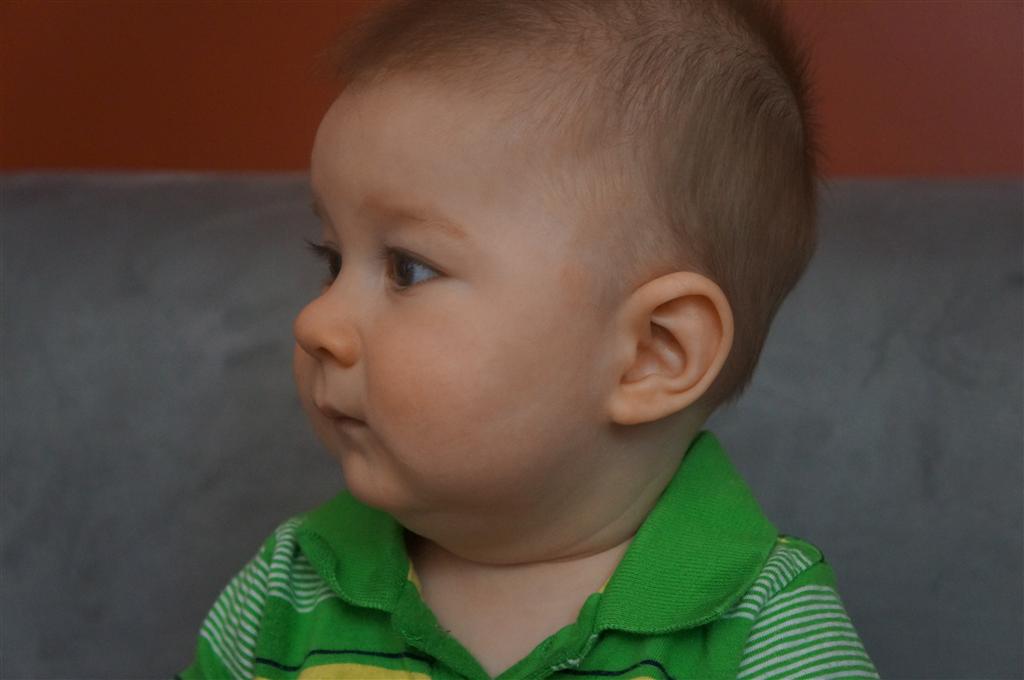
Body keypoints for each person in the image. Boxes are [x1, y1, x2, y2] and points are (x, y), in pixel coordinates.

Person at [179, 0, 879, 677]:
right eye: (332, 261)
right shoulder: (291, 586)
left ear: (652, 353)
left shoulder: (762, 633)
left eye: (407, 269)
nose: (315, 323)